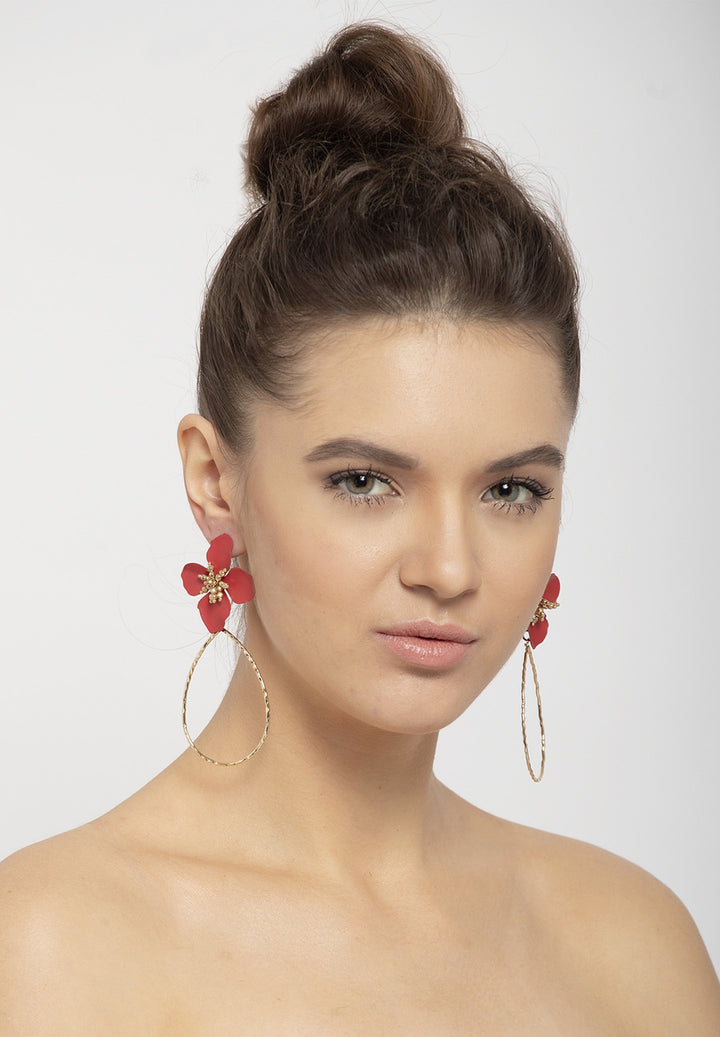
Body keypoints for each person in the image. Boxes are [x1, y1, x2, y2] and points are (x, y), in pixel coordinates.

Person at [1, 22, 718, 1034]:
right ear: (214, 479)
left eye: (511, 490)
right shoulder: (48, 952)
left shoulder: (636, 946)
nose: (450, 567)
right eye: (366, 480)